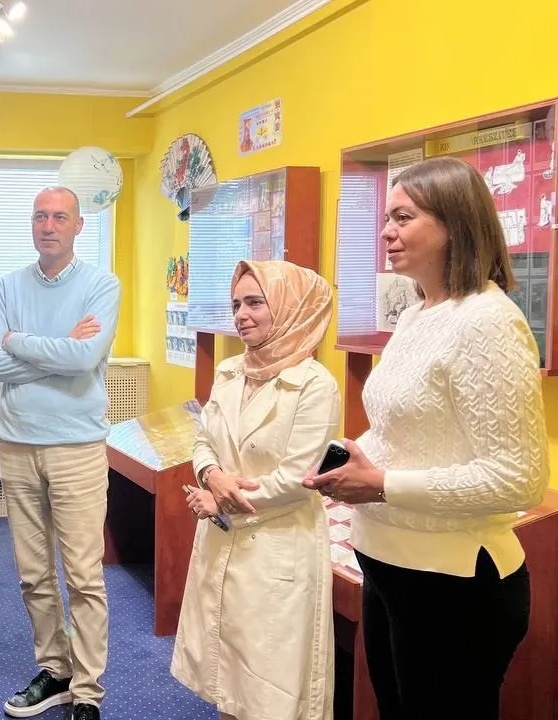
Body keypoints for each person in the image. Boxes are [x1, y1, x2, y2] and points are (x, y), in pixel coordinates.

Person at [304, 156, 548, 719]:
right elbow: (406, 425)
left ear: (455, 224)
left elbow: (518, 479)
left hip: (454, 582)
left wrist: (382, 484)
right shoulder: (418, 314)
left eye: (403, 217)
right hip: (388, 564)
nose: (386, 232)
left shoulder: (488, 321)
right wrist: (350, 460)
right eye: (386, 217)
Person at [171, 260, 339, 720]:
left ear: (289, 308)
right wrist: (211, 475)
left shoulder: (316, 385)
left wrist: (221, 499)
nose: (241, 315)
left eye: (254, 303)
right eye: (236, 305)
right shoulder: (229, 371)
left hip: (278, 543)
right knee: (227, 677)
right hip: (224, 537)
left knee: (270, 689)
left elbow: (298, 478)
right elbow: (203, 440)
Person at [0, 186, 122, 720]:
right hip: (16, 443)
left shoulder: (101, 285)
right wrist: (60, 346)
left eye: (60, 217)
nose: (49, 225)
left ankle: (87, 690)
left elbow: (84, 359)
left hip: (76, 447)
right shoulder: (7, 286)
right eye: (40, 215)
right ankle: (55, 670)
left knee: (83, 575)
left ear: (79, 226)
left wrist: (18, 340)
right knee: (33, 574)